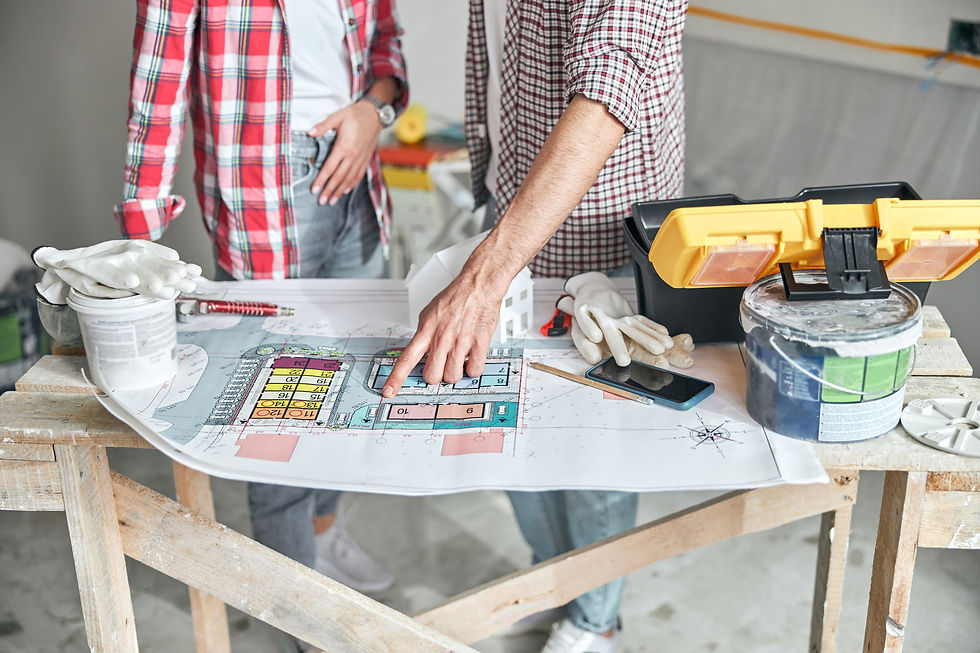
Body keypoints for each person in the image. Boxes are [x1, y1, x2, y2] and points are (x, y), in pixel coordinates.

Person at [383, 1, 688, 651]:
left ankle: (595, 616)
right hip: (513, 188)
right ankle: (555, 578)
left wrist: (484, 276)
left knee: (593, 428)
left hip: (602, 214)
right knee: (522, 412)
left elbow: (609, 87)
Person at [114, 0, 408, 599]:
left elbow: (385, 42)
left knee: (355, 379)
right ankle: (296, 603)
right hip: (269, 191)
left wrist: (373, 112)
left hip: (358, 174)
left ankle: (321, 537)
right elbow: (158, 78)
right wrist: (139, 248)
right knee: (279, 412)